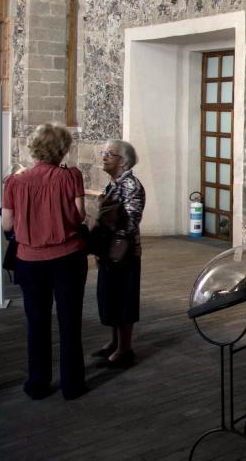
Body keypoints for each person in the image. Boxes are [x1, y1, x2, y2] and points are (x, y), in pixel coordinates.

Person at [1, 124, 88, 399]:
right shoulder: (71, 176)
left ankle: (38, 383)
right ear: (61, 149)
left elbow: (7, 223)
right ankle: (72, 385)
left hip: (29, 260)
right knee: (70, 321)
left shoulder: (15, 182)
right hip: (68, 258)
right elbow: (79, 216)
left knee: (37, 322)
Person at [93, 139, 145, 368]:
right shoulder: (113, 184)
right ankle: (114, 342)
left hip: (124, 254)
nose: (104, 157)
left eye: (109, 154)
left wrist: (109, 221)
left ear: (122, 161)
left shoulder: (131, 185)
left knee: (124, 299)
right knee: (110, 297)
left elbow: (132, 222)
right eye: (104, 153)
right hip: (109, 251)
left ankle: (125, 349)